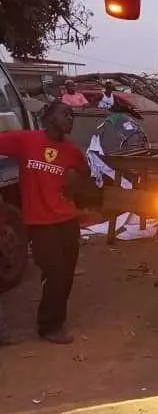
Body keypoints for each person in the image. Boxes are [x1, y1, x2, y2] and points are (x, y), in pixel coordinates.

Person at [0, 101, 95, 343]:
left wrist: (74, 186)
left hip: (67, 219)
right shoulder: (26, 140)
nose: (70, 118)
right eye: (65, 114)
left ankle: (57, 320)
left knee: (67, 273)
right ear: (49, 117)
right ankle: (48, 326)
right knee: (54, 271)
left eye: (72, 115)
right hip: (39, 222)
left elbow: (85, 175)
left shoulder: (72, 151)